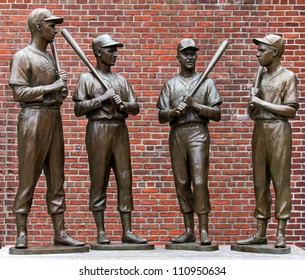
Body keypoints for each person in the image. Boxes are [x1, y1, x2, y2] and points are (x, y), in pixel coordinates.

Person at [9, 9, 85, 248]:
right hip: (32, 119)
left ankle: (60, 231)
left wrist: (60, 91)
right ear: (39, 26)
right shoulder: (23, 56)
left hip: (53, 117)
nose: (55, 29)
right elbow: (19, 93)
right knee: (28, 175)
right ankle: (22, 231)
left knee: (56, 177)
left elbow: (55, 93)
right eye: (51, 25)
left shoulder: (51, 57)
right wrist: (53, 87)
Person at [73, 34, 147, 244]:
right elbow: (79, 108)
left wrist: (124, 105)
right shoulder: (86, 79)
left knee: (125, 179)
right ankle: (101, 230)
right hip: (98, 129)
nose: (115, 54)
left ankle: (127, 230)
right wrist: (101, 99)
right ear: (98, 53)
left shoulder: (121, 80)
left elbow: (135, 107)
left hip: (119, 129)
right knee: (99, 178)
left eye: (116, 50)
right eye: (110, 50)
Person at [157, 38, 222, 245]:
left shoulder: (206, 82)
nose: (190, 57)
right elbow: (161, 115)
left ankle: (203, 229)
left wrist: (195, 106)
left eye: (193, 53)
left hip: (198, 132)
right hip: (178, 133)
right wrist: (174, 112)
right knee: (182, 182)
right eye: (186, 54)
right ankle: (188, 230)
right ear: (178, 57)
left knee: (200, 180)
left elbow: (217, 114)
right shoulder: (170, 84)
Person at [237, 34, 299, 248]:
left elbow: (290, 110)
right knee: (259, 182)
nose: (258, 54)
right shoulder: (260, 78)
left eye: (262, 50)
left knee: (280, 181)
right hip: (260, 129)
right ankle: (260, 232)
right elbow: (253, 113)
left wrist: (260, 102)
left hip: (278, 130)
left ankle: (280, 232)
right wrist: (253, 104)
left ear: (274, 52)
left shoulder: (288, 77)